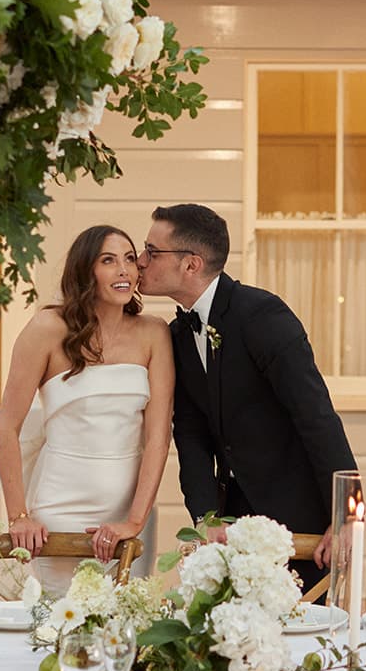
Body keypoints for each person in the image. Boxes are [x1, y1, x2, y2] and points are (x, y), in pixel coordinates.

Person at [135, 203, 354, 587]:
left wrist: (346, 516)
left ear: (191, 264)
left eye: (152, 252)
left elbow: (315, 415)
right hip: (232, 520)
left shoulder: (263, 316)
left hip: (303, 524)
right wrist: (205, 518)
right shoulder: (178, 335)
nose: (140, 261)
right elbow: (190, 433)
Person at [0, 225, 174, 589]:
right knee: (53, 625)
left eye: (128, 259)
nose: (124, 270)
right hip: (59, 508)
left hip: (128, 512)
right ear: (85, 270)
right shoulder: (47, 328)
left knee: (123, 628)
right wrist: (19, 517)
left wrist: (135, 520)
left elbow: (158, 437)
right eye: (108, 260)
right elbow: (6, 427)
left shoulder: (155, 333)